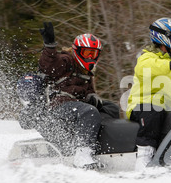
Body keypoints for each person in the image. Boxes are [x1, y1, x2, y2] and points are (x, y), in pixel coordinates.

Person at [18, 22, 119, 170]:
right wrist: (50, 46)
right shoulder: (66, 61)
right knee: (89, 112)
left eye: (93, 54)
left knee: (111, 108)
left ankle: (103, 146)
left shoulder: (86, 72)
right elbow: (49, 65)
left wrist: (92, 96)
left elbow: (87, 90)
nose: (90, 57)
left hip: (77, 107)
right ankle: (82, 154)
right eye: (86, 53)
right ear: (77, 51)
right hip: (59, 107)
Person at [126, 17, 171, 170]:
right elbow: (145, 67)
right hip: (142, 108)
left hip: (163, 110)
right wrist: (170, 65)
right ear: (166, 38)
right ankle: (143, 158)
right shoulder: (148, 57)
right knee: (153, 111)